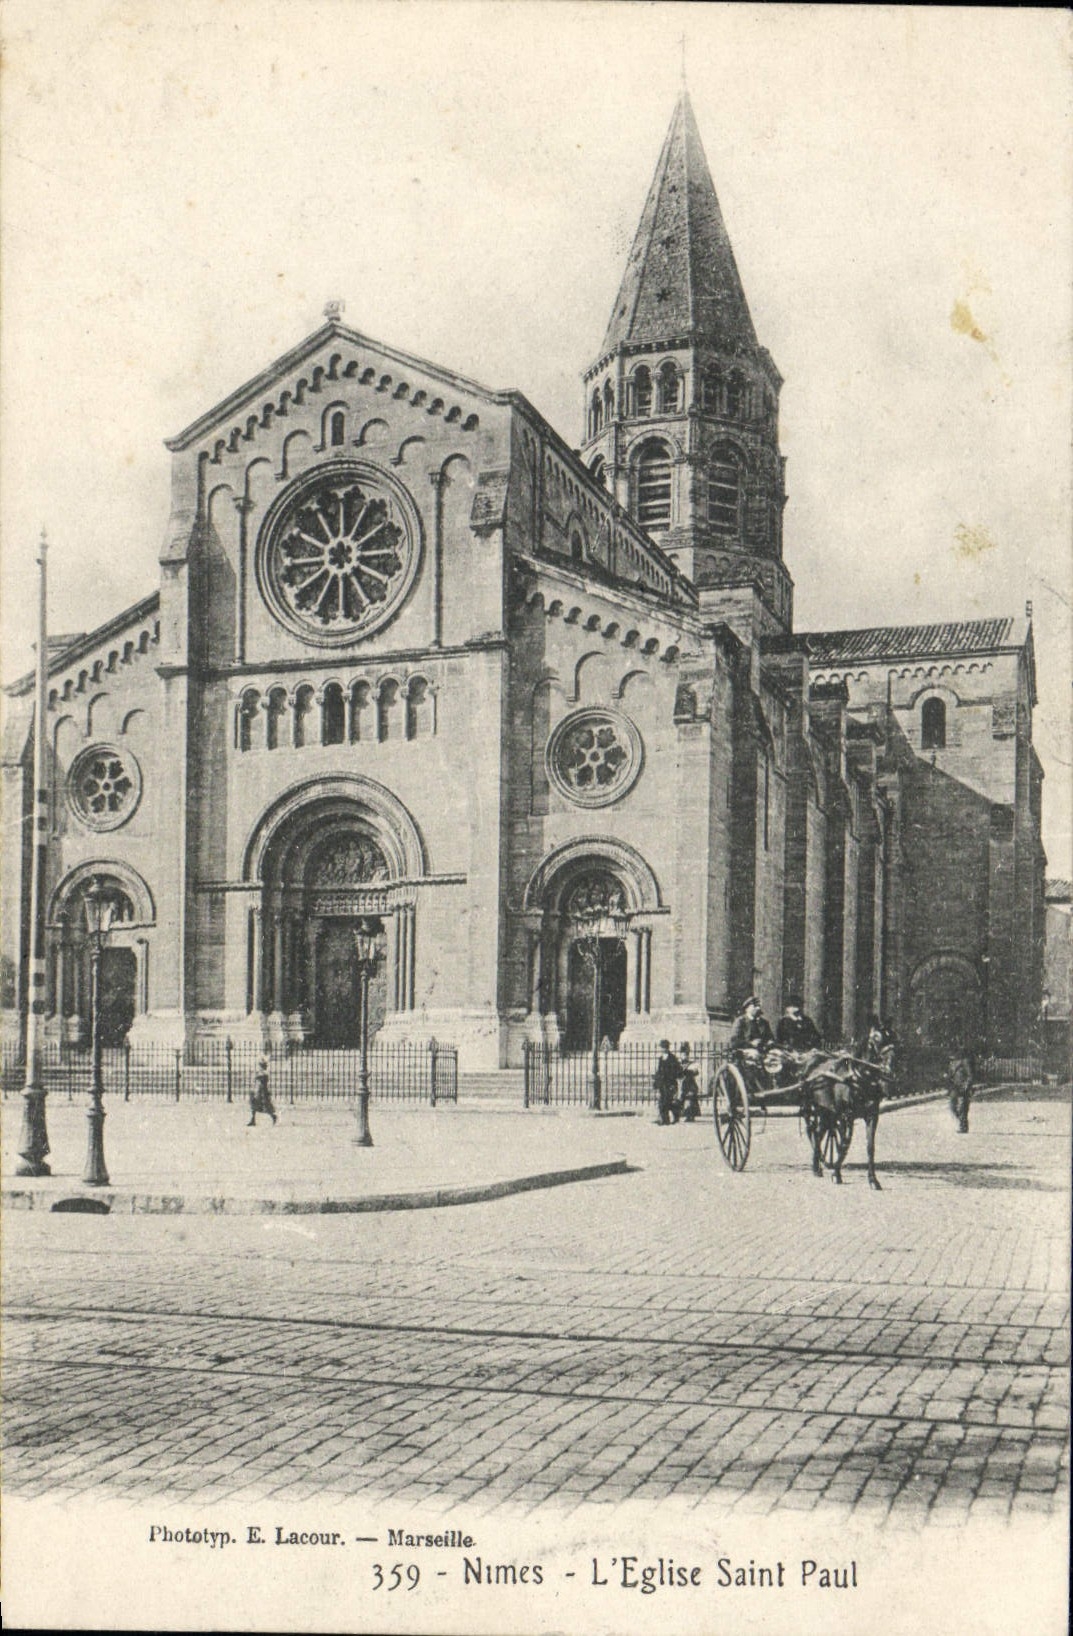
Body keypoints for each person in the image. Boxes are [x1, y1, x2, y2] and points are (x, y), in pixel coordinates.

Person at [652, 1040, 682, 1125]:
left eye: (663, 1047)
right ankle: (664, 1119)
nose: (662, 1049)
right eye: (661, 1047)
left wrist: (672, 1080)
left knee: (667, 1102)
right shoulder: (661, 1058)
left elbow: (676, 1071)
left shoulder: (672, 1058)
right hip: (662, 1083)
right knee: (662, 1101)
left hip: (670, 1083)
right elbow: (659, 1071)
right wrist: (656, 1082)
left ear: (667, 1048)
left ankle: (674, 1115)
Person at [947, 1048, 975, 1134]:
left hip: (963, 1088)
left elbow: (970, 1076)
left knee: (963, 1107)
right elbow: (950, 1076)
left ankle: (963, 1126)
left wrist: (967, 1085)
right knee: (952, 1107)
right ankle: (963, 1122)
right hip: (954, 1087)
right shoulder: (952, 1064)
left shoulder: (965, 1062)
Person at [248, 1054, 278, 1126]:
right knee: (254, 1105)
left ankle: (273, 1116)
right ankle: (253, 1120)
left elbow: (262, 1083)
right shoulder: (260, 1073)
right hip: (257, 1090)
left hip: (261, 1091)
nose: (259, 1067)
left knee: (264, 1106)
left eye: (261, 1066)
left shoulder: (264, 1074)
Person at [677, 1043, 701, 1122]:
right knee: (681, 1099)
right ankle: (680, 1114)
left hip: (690, 1084)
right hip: (682, 1085)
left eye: (686, 1054)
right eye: (683, 1054)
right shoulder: (679, 1064)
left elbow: (696, 1072)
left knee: (691, 1099)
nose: (685, 1056)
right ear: (680, 1055)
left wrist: (689, 1071)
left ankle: (691, 1116)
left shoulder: (691, 1063)